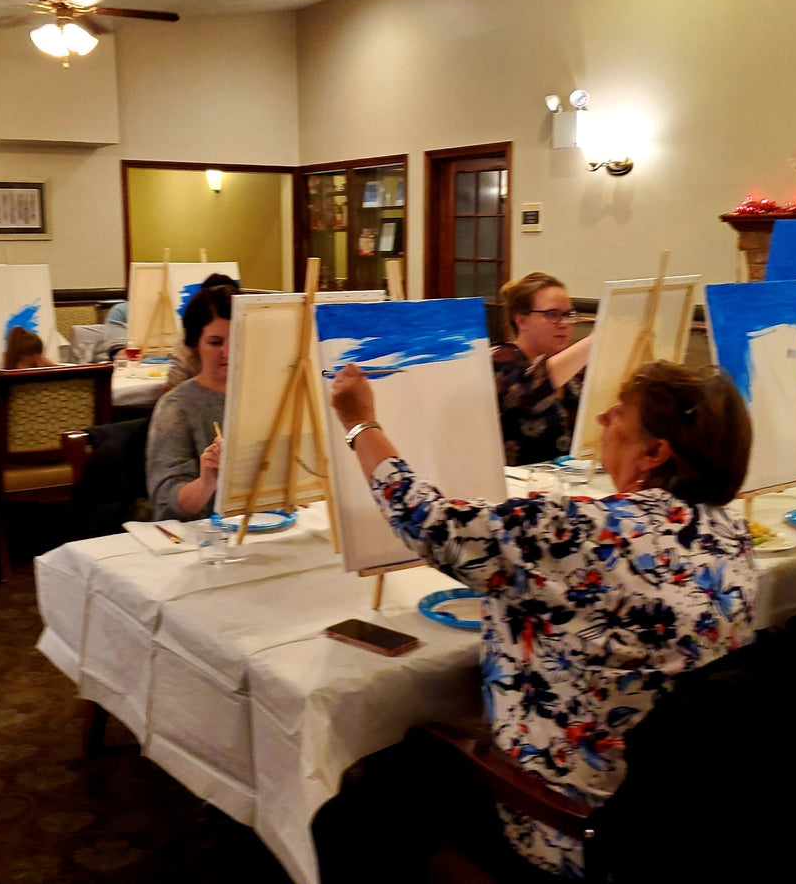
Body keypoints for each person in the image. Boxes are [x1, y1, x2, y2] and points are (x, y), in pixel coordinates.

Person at [324, 360, 756, 880]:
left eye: (618, 412)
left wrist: (359, 422)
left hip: (571, 828)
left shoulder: (594, 533)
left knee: (355, 802)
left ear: (655, 452)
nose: (602, 418)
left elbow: (430, 522)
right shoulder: (732, 536)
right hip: (677, 824)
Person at [144, 280, 234, 521]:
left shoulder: (268, 397)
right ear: (195, 344)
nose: (228, 351)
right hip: (205, 538)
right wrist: (206, 483)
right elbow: (166, 502)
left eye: (238, 338)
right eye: (215, 343)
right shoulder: (177, 406)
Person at [492, 272, 592, 465]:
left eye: (568, 315)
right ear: (522, 321)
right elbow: (533, 390)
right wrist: (598, 338)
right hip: (515, 487)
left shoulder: (571, 372)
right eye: (552, 315)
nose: (564, 324)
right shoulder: (500, 360)